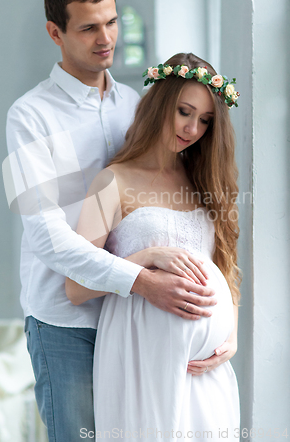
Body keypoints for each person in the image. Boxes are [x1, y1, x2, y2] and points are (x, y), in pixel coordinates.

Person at [4, 0, 233, 442]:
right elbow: (46, 235)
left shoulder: (134, 103)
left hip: (136, 327)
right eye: (88, 27)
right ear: (56, 33)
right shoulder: (29, 116)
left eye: (111, 22)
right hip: (65, 320)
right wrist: (142, 277)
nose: (105, 38)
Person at [65, 52, 241, 440]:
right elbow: (76, 287)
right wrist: (145, 259)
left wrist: (230, 335)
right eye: (184, 111)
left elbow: (225, 269)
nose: (193, 128)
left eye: (206, 121)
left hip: (203, 370)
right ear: (161, 104)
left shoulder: (204, 181)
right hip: (140, 358)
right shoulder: (112, 181)